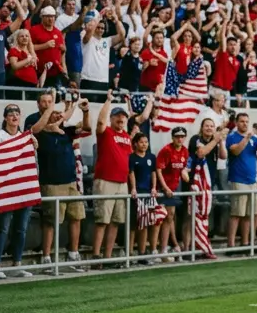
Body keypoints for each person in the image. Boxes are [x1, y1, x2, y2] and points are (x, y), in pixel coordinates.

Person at [0, 102, 52, 277]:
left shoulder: (26, 137)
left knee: (21, 229)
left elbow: (32, 165)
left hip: (24, 189)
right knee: (3, 228)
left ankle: (17, 263)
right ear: (5, 117)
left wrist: (33, 148)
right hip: (6, 190)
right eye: (10, 113)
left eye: (17, 113)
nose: (14, 116)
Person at [30, 90, 90, 269]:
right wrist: (54, 104)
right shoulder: (37, 128)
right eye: (47, 105)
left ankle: (73, 254)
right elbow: (36, 129)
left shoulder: (67, 131)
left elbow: (87, 128)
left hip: (71, 181)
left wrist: (85, 111)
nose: (54, 113)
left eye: (56, 110)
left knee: (76, 217)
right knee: (50, 221)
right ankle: (47, 257)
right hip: (51, 183)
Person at [92, 93, 135, 260]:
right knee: (102, 220)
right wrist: (108, 101)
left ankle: (108, 256)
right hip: (105, 180)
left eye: (123, 116)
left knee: (116, 221)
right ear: (111, 118)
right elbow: (100, 122)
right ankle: (96, 255)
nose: (121, 119)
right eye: (117, 116)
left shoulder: (126, 137)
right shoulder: (106, 132)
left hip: (122, 183)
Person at [187, 116, 225, 260]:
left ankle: (202, 246)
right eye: (207, 126)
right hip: (195, 183)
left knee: (204, 217)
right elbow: (201, 152)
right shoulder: (195, 139)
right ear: (202, 128)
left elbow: (223, 156)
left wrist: (220, 141)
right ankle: (187, 248)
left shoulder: (216, 141)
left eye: (212, 126)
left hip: (209, 183)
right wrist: (216, 139)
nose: (209, 128)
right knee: (190, 217)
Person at [225, 112, 257, 249]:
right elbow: (236, 151)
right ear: (237, 123)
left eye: (246, 121)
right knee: (236, 214)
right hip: (238, 179)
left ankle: (245, 243)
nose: (245, 124)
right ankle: (231, 245)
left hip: (252, 180)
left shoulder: (254, 138)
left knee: (249, 214)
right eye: (242, 121)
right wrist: (246, 138)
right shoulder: (232, 137)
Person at [156, 126, 191, 260]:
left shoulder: (184, 151)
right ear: (173, 137)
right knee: (162, 218)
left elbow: (185, 167)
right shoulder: (166, 150)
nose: (180, 139)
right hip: (164, 188)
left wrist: (185, 172)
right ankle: (162, 248)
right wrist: (165, 188)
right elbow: (159, 170)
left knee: (170, 217)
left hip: (175, 187)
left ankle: (168, 247)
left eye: (182, 137)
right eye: (177, 136)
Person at [128, 132, 162, 260]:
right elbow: (131, 173)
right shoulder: (131, 158)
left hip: (148, 194)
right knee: (133, 225)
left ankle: (142, 253)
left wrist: (154, 187)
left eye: (146, 142)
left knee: (145, 223)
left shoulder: (151, 157)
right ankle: (129, 253)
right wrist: (133, 189)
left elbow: (153, 173)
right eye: (141, 142)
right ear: (135, 143)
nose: (144, 144)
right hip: (137, 194)